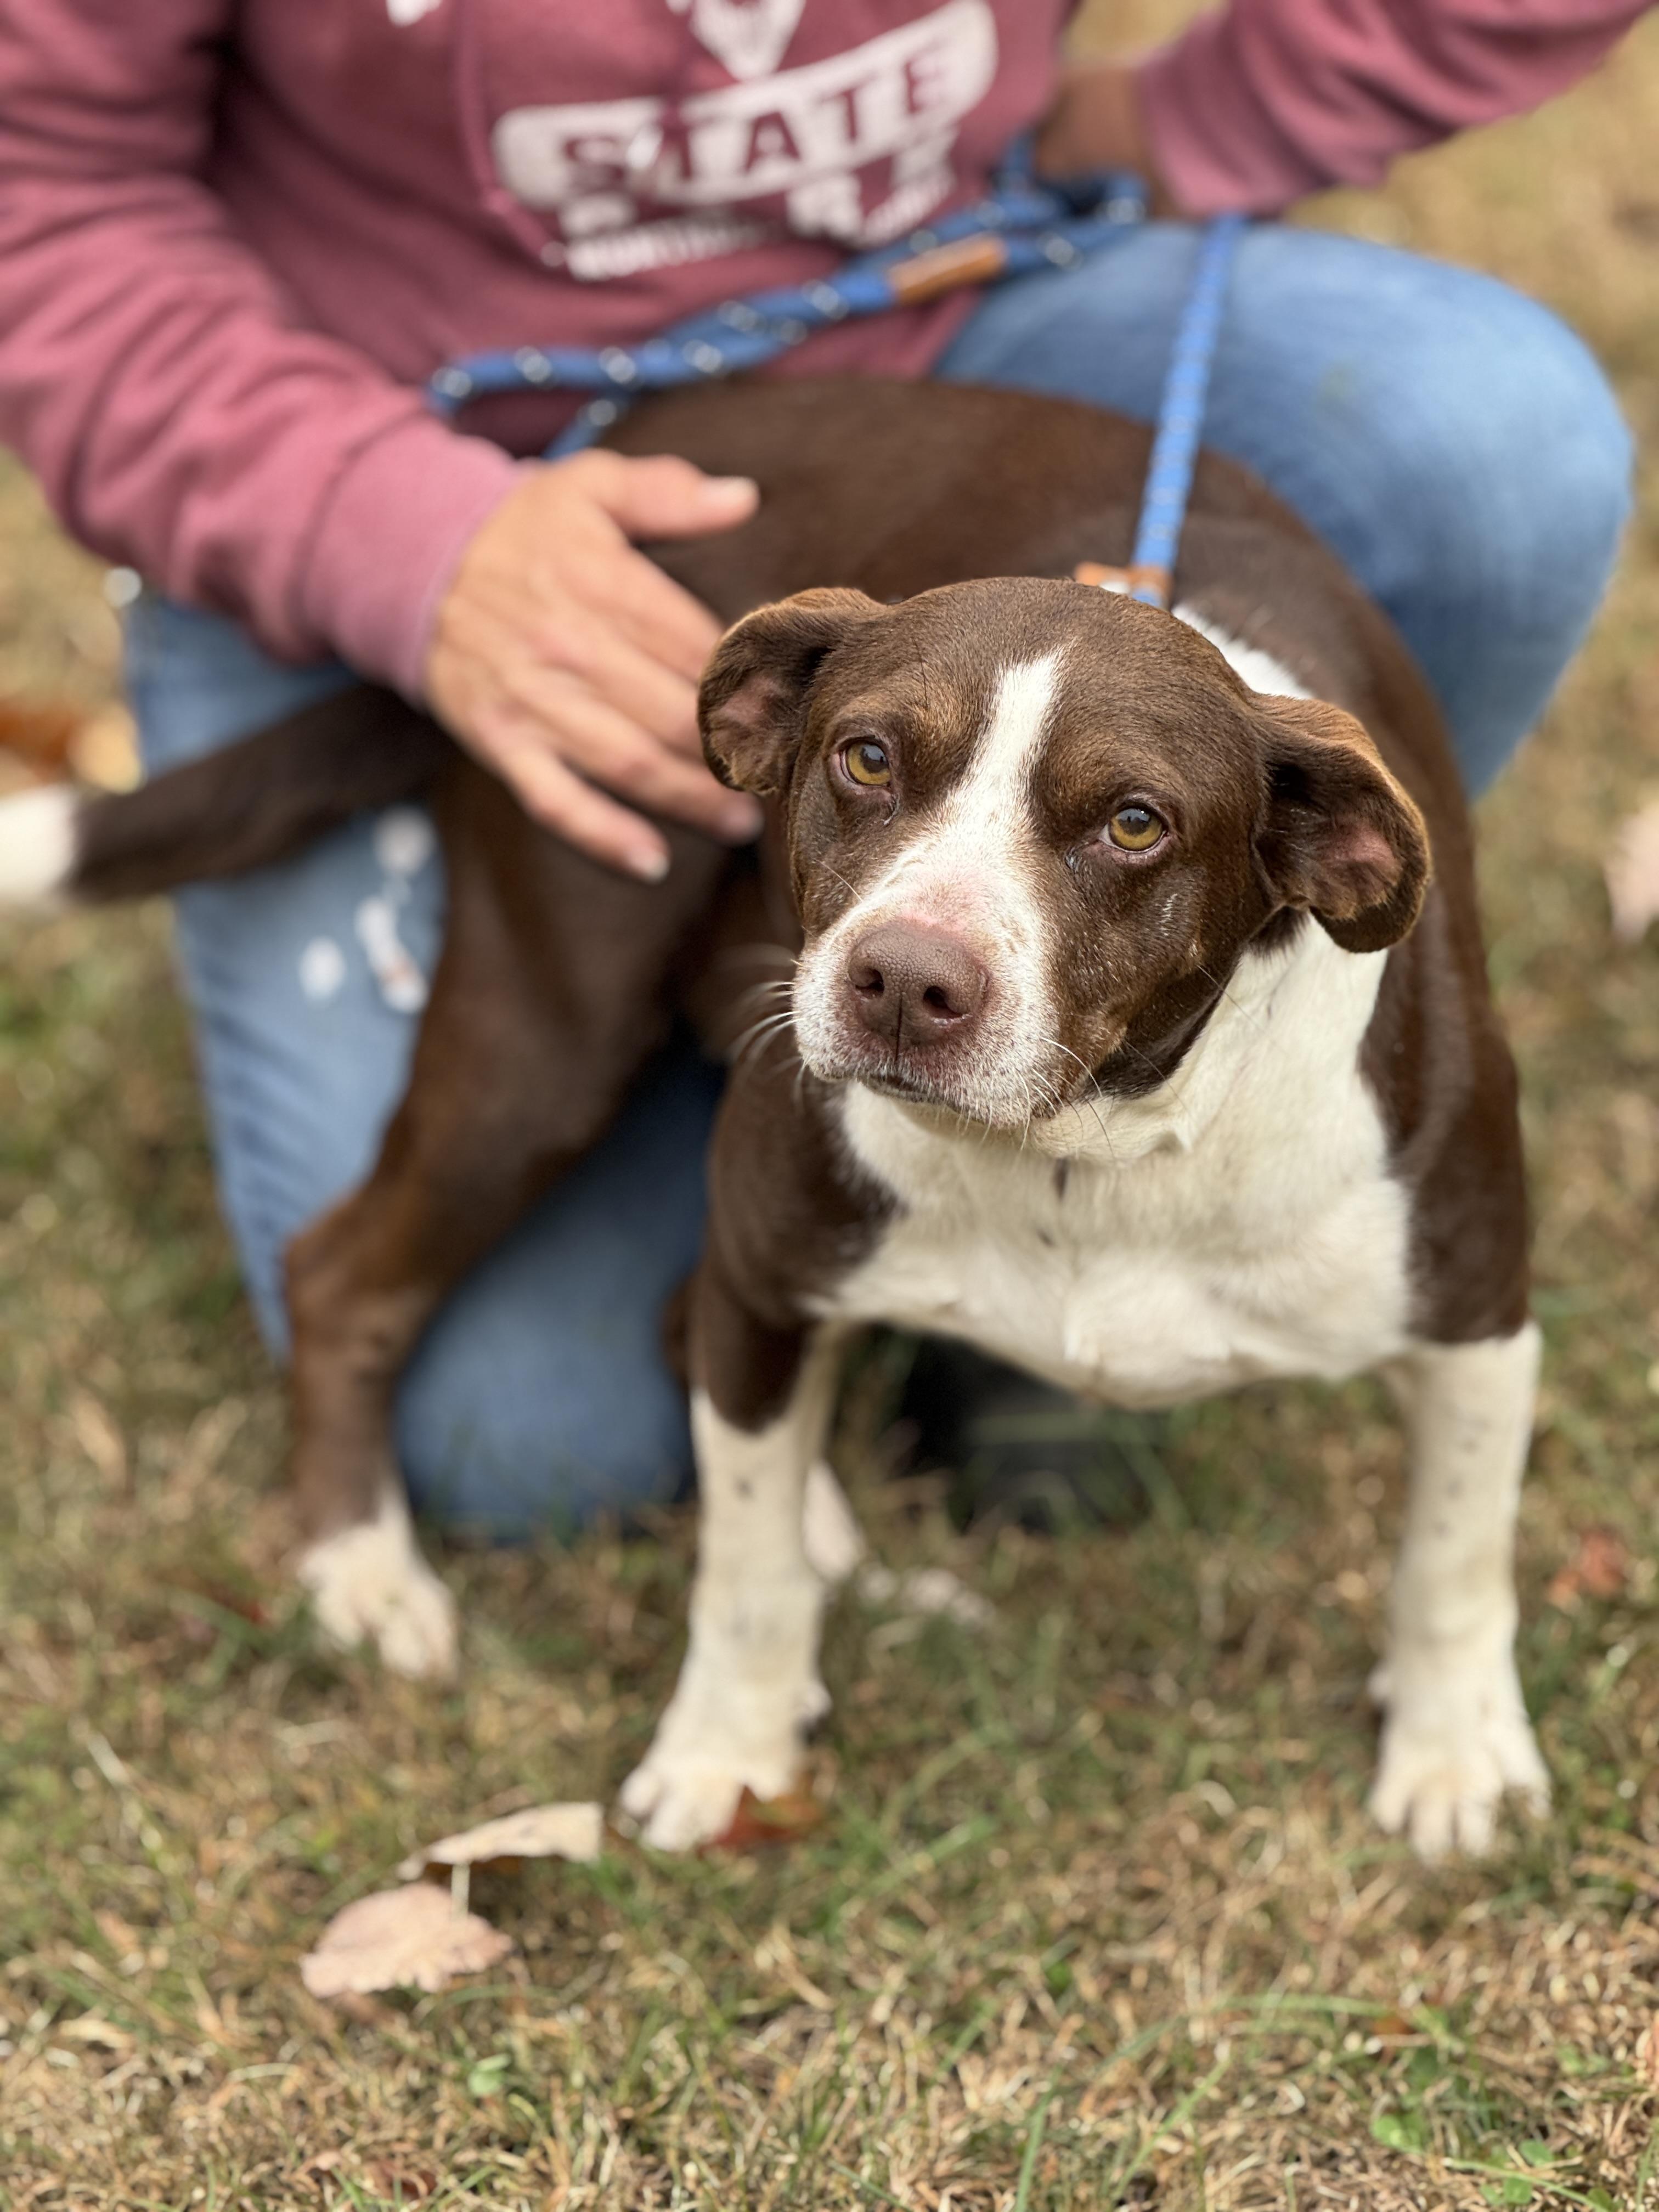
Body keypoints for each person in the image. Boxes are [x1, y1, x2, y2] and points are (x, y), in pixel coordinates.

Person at [0, 1, 1640, 1536]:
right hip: (339, 417)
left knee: (1494, 446)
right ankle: (814, 1079)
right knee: (529, 1441)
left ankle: (1073, 1135)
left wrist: (1198, 111)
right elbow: (41, 191)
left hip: (924, 322)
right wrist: (405, 545)